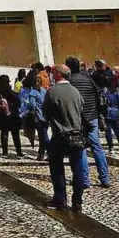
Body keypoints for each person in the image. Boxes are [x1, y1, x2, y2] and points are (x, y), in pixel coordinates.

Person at [42, 64, 88, 212]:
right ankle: (77, 201)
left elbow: (46, 113)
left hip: (60, 135)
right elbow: (82, 111)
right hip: (77, 135)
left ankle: (60, 199)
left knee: (57, 168)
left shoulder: (52, 91)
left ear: (57, 74)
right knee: (78, 168)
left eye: (53, 72)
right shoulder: (75, 92)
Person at [66, 57, 109, 188]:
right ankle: (105, 178)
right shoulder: (88, 78)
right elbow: (98, 96)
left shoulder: (69, 81)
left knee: (81, 148)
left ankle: (84, 180)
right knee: (97, 147)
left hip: (77, 118)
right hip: (92, 116)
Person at [0, 75, 23, 157]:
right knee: (15, 134)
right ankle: (19, 152)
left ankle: (5, 152)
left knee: (4, 133)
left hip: (1, 115)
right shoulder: (10, 92)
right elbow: (18, 103)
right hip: (12, 114)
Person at [19, 73, 48, 161]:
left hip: (38, 118)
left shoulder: (33, 93)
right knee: (43, 136)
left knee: (44, 137)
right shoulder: (44, 91)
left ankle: (51, 152)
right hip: (46, 117)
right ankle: (41, 154)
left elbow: (32, 106)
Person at [103, 82, 119, 152]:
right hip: (115, 113)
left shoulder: (106, 94)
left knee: (108, 132)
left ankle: (111, 147)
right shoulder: (117, 95)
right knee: (117, 130)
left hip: (108, 114)